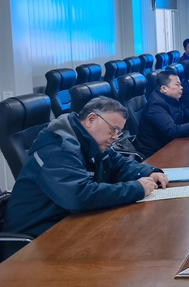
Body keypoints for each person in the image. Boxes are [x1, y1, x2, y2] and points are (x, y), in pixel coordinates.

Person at [3, 97, 167, 237]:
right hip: (37, 237)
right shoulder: (58, 150)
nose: (115, 137)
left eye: (119, 132)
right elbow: (79, 196)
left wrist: (149, 172)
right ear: (91, 119)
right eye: (114, 130)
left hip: (69, 222)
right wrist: (136, 188)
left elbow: (118, 164)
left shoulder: (91, 142)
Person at [136, 71, 189, 158]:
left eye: (180, 84)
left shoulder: (174, 99)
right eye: (177, 85)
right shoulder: (156, 105)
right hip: (156, 153)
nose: (181, 87)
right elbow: (172, 131)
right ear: (164, 88)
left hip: (172, 145)